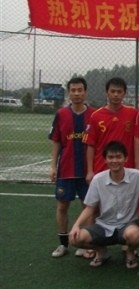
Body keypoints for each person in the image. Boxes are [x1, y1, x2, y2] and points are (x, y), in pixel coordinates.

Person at [68, 141, 139, 269]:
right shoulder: (98, 180)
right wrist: (76, 225)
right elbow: (90, 208)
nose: (114, 161)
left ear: (126, 158)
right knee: (75, 238)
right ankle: (102, 252)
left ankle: (129, 253)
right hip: (104, 225)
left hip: (128, 225)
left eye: (118, 157)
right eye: (110, 157)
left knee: (134, 235)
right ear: (105, 160)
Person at [49, 76, 95, 258]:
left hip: (87, 171)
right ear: (69, 93)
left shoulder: (94, 114)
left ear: (85, 92)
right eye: (73, 90)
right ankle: (63, 244)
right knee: (62, 206)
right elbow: (56, 141)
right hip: (66, 170)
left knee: (88, 206)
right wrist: (53, 166)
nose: (76, 93)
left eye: (80, 90)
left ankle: (84, 243)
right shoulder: (61, 114)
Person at [84, 77, 137, 182]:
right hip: (101, 168)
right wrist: (90, 171)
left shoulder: (133, 114)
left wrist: (138, 163)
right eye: (113, 91)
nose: (116, 95)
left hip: (127, 169)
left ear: (125, 93)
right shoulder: (95, 116)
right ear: (106, 92)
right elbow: (90, 145)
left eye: (119, 92)